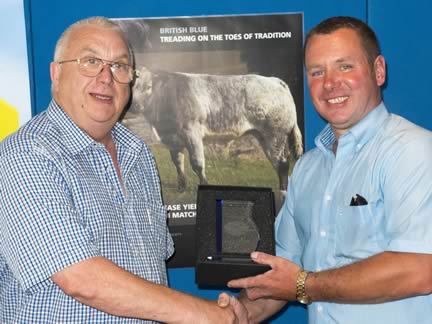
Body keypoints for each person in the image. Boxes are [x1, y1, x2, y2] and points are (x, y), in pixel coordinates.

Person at [0, 16, 245, 323]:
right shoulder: (27, 155)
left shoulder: (137, 153)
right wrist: (204, 314)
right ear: (56, 73)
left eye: (119, 66)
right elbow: (81, 278)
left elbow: (152, 267)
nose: (107, 77)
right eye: (90, 61)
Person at [222, 16, 432, 324]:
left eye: (345, 66)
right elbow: (284, 271)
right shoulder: (307, 169)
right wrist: (243, 313)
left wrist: (304, 285)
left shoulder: (413, 151)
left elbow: (420, 269)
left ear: (379, 70)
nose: (330, 83)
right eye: (317, 71)